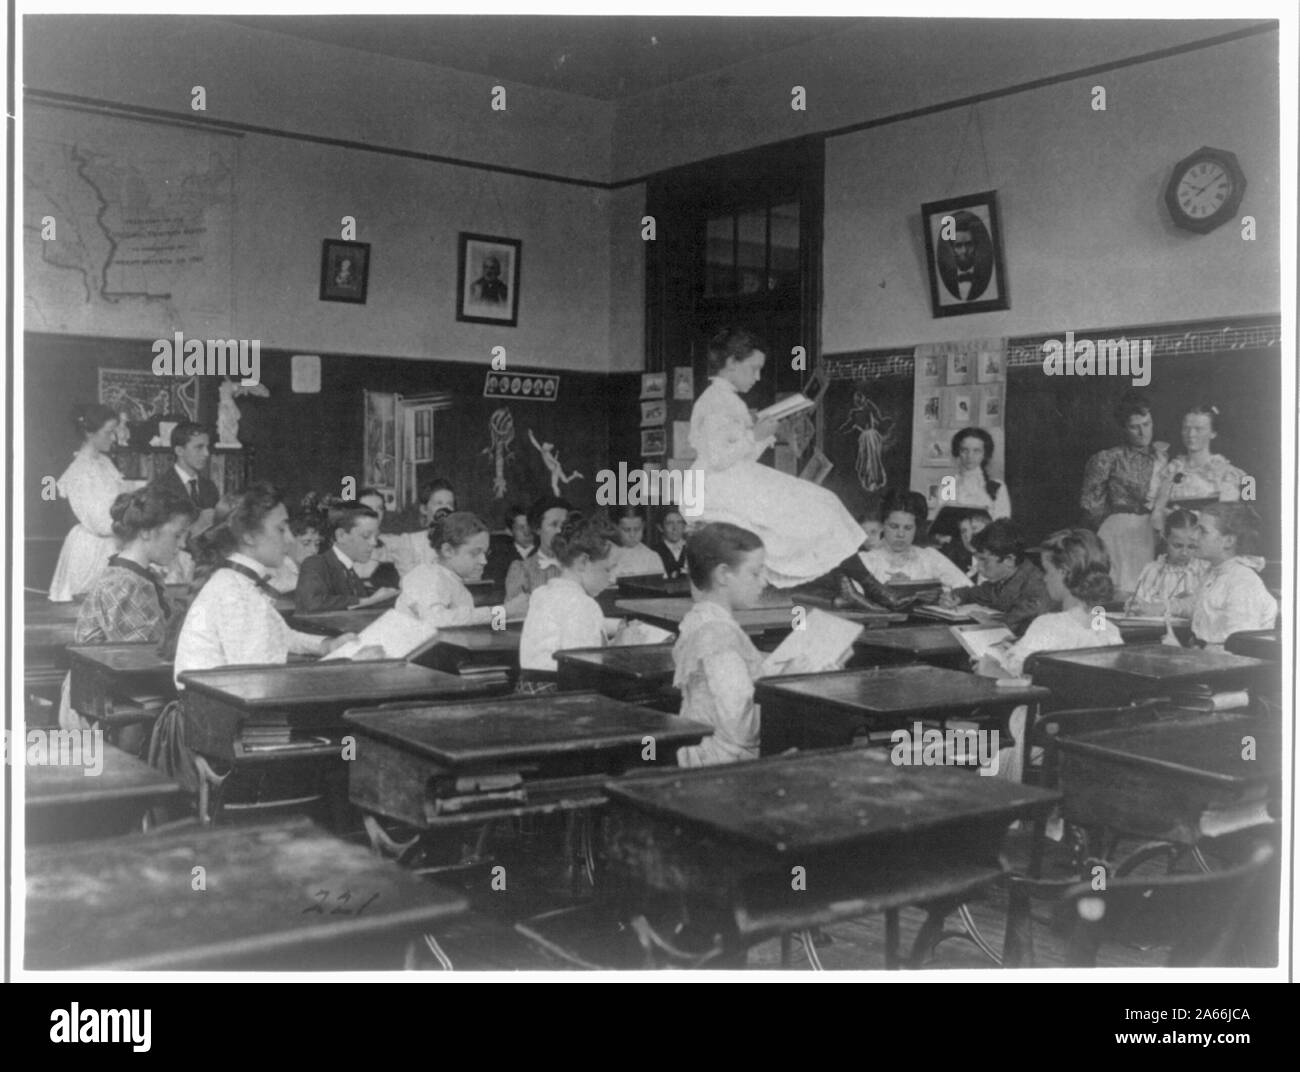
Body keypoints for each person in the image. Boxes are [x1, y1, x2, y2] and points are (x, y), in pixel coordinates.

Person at [688, 327, 872, 590]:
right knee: (819, 504)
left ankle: (855, 583)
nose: (758, 376)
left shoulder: (726, 399)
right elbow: (718, 458)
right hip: (715, 487)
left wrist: (765, 434)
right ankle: (859, 583)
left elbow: (740, 456)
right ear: (731, 363)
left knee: (821, 503)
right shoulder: (716, 401)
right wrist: (754, 436)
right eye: (753, 368)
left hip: (729, 479)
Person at [172, 484, 369, 687]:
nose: (290, 539)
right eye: (281, 529)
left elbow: (280, 635)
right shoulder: (235, 594)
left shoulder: (239, 582)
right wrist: (346, 665)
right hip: (222, 713)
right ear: (248, 536)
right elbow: (259, 680)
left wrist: (326, 646)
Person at [59, 487, 198, 738]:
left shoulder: (141, 575)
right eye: (177, 536)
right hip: (102, 705)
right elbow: (144, 660)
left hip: (123, 693)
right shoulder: (124, 583)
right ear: (146, 531)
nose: (182, 545)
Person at [672, 523, 770, 768]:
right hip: (723, 762)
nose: (765, 581)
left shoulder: (700, 619)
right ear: (723, 574)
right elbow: (740, 726)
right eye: (755, 573)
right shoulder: (718, 635)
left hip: (701, 750)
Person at [986, 529, 1124, 681]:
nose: (1045, 578)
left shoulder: (1048, 625)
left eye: (1047, 571)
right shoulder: (1110, 631)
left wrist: (989, 667)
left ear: (1064, 572)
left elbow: (1014, 678)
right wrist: (1018, 649)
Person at [48, 404, 144, 602]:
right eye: (109, 432)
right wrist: (132, 523)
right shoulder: (80, 471)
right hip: (93, 547)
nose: (113, 438)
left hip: (115, 538)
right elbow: (98, 522)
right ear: (89, 433)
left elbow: (121, 495)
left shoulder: (104, 463)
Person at [517, 515, 621, 693]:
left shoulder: (541, 593)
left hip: (528, 689)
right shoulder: (584, 604)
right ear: (583, 561)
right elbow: (584, 669)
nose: (612, 578)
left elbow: (564, 620)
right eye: (608, 569)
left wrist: (616, 626)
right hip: (561, 694)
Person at [1079, 391, 1168, 593]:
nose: (1142, 432)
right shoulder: (1109, 458)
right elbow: (1091, 504)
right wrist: (1114, 524)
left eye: (1147, 424)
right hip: (1118, 531)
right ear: (1123, 428)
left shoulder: (1162, 458)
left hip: (1151, 531)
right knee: (1117, 589)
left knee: (1147, 589)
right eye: (1134, 427)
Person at [398, 511, 528, 626]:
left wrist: (511, 615)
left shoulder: (453, 582)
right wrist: (504, 611)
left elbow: (474, 626)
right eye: (475, 553)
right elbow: (436, 620)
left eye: (485, 553)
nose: (484, 561)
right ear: (448, 550)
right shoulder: (426, 576)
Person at [1188, 503, 1277, 649]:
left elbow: (1239, 648)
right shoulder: (1214, 573)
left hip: (1228, 666)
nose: (1193, 536)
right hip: (1205, 658)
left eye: (1202, 531)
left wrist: (1185, 652)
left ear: (1228, 541)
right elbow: (1196, 605)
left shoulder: (1243, 582)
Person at [1149, 404, 1251, 530]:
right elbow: (1157, 515)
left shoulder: (1226, 473)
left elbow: (1228, 520)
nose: (1191, 434)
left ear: (1213, 433)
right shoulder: (1171, 470)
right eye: (1186, 428)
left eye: (1199, 429)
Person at [941, 519, 1051, 634]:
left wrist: (992, 623)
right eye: (978, 560)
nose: (979, 567)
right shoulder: (1003, 581)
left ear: (1009, 560)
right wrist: (956, 596)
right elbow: (975, 593)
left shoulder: (1036, 587)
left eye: (984, 560)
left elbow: (1016, 626)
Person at [856, 489, 970, 591]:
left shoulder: (929, 557)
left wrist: (939, 593)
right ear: (883, 525)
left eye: (908, 528)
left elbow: (967, 588)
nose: (901, 534)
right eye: (894, 526)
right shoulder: (866, 561)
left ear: (916, 528)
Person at [295, 503, 398, 613]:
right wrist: (364, 601)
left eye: (376, 536)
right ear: (341, 535)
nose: (373, 543)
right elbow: (312, 603)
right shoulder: (315, 563)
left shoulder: (349, 570)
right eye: (366, 536)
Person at [1125, 509, 1207, 617]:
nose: (1184, 552)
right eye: (1177, 545)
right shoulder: (1153, 570)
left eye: (1191, 547)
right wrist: (1136, 606)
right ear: (1165, 539)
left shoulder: (1203, 571)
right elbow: (1141, 601)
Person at [504, 494, 573, 600]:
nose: (560, 531)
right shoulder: (523, 570)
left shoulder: (577, 566)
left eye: (564, 526)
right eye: (554, 524)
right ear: (538, 529)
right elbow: (514, 612)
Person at [944, 427, 1011, 520]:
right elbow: (943, 522)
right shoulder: (949, 485)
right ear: (957, 452)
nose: (970, 456)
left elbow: (1002, 524)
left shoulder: (997, 487)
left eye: (976, 451)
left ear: (985, 454)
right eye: (964, 450)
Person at [936, 210, 994, 302]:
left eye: (969, 244)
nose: (964, 251)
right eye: (958, 246)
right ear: (952, 249)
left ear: (975, 246)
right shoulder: (948, 281)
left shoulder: (984, 277)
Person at [353, 486, 401, 592]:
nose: (375, 513)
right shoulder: (346, 545)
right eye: (368, 508)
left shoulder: (393, 543)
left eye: (379, 508)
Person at [267, 512, 322, 595]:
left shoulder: (314, 571)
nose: (314, 550)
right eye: (306, 543)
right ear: (287, 542)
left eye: (317, 544)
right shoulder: (275, 573)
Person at [607, 505, 665, 579]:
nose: (632, 535)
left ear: (643, 526)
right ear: (615, 527)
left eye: (637, 529)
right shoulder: (603, 554)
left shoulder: (651, 557)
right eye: (626, 530)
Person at [485, 504, 533, 585]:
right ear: (510, 531)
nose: (527, 532)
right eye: (521, 528)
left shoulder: (545, 551)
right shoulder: (498, 557)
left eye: (530, 526)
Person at [651, 508, 689, 579]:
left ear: (684, 526)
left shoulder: (692, 549)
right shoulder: (653, 552)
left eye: (679, 522)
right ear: (660, 527)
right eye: (670, 523)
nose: (675, 528)